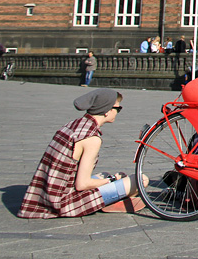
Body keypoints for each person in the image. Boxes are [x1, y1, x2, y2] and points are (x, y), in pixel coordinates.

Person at [19, 89, 145, 217]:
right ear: (107, 111)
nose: (117, 113)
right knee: (141, 180)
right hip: (64, 203)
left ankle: (112, 199)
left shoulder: (74, 125)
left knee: (104, 175)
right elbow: (82, 184)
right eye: (118, 109)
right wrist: (111, 180)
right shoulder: (91, 139)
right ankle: (110, 202)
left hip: (46, 196)